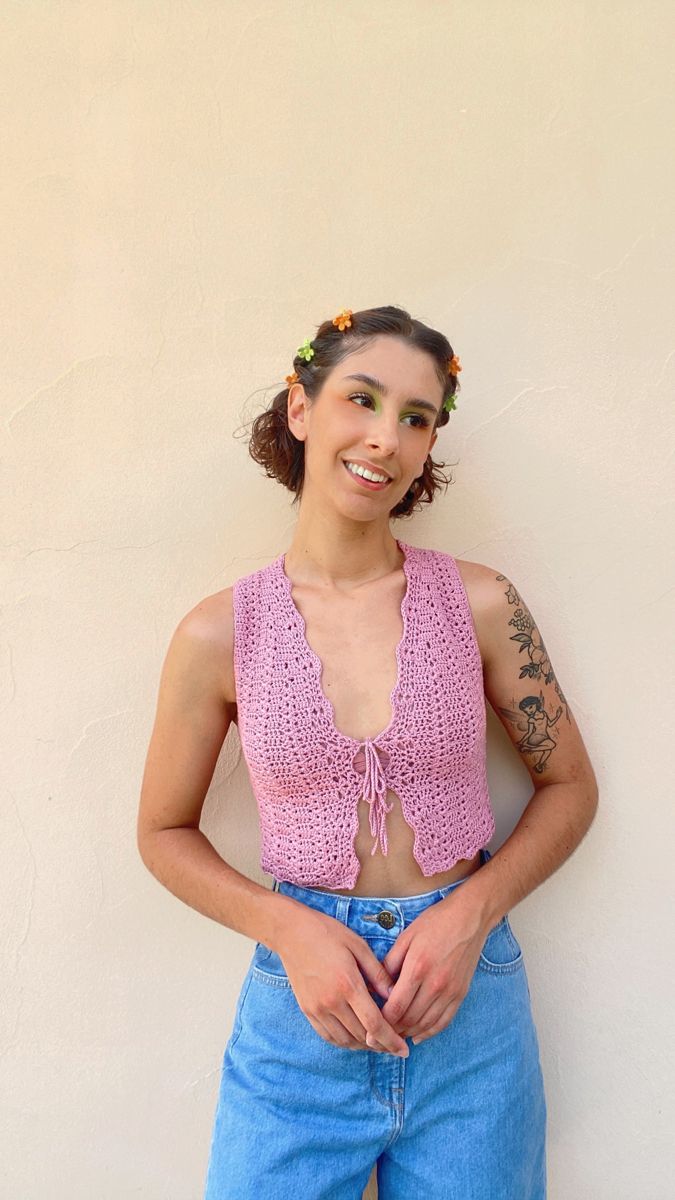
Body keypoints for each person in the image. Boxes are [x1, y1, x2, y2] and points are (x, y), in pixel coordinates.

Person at [137, 305, 598, 1199]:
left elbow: (569, 786)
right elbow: (162, 831)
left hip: (469, 1013)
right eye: (362, 399)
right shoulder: (218, 633)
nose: (385, 438)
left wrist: (469, 915)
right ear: (301, 408)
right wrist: (286, 928)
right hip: (300, 1019)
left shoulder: (481, 605)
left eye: (416, 418)